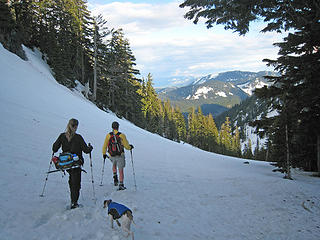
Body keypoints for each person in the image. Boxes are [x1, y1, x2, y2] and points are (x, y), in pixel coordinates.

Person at [52, 118, 93, 209]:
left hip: (66, 163)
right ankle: (74, 202)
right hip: (76, 163)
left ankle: (73, 200)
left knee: (72, 180)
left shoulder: (62, 136)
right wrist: (90, 148)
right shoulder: (78, 137)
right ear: (76, 126)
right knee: (76, 183)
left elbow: (55, 148)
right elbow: (86, 150)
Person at [102, 121, 133, 190]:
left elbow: (105, 145)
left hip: (111, 154)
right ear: (118, 127)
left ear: (112, 127)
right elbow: (126, 146)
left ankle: (115, 179)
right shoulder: (121, 135)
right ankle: (121, 184)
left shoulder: (108, 135)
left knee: (114, 165)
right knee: (121, 169)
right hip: (120, 155)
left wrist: (104, 153)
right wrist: (130, 147)